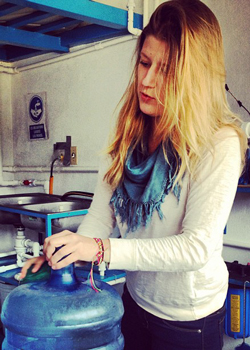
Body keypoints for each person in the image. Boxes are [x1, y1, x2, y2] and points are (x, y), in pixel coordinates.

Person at [21, 1, 247, 349]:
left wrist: (99, 249)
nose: (147, 80)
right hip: (135, 302)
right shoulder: (128, 134)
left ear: (194, 78)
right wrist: (64, 255)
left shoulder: (219, 142)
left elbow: (195, 248)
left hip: (189, 321)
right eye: (144, 62)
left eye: (166, 70)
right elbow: (100, 216)